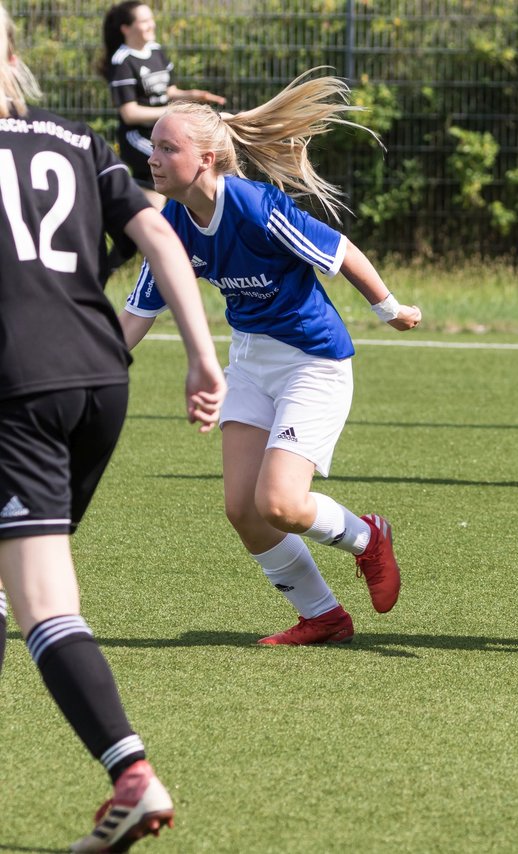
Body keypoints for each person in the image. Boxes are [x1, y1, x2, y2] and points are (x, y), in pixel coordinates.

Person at [0, 5, 226, 850]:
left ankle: (131, 774)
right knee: (10, 579)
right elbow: (160, 237)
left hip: (20, 388)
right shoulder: (74, 139)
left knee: (43, 602)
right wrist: (204, 356)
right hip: (101, 379)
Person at [119, 72, 422, 646]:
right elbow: (136, 314)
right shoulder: (168, 228)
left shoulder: (257, 207)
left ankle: (369, 538)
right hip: (252, 361)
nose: (153, 157)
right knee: (243, 508)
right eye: (153, 145)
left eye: (166, 147)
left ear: (207, 159)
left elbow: (341, 252)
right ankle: (323, 616)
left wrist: (390, 309)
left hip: (314, 362)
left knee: (279, 502)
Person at [98, 1, 225, 208]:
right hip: (137, 137)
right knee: (177, 161)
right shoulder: (122, 61)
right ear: (126, 28)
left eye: (151, 19)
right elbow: (129, 113)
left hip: (164, 132)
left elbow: (170, 92)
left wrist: (194, 96)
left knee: (183, 162)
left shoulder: (156, 51)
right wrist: (170, 112)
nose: (151, 25)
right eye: (144, 21)